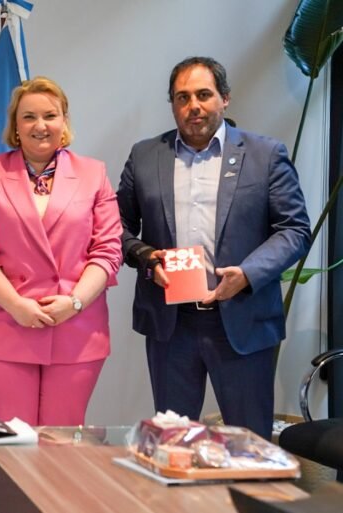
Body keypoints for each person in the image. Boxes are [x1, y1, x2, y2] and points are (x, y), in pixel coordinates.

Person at [116, 57, 311, 439]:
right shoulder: (145, 156)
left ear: (225, 98)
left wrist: (248, 274)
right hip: (172, 325)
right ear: (172, 104)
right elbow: (114, 227)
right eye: (182, 97)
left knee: (249, 446)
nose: (194, 105)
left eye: (204, 95)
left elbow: (294, 229)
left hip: (242, 320)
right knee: (175, 442)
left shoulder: (265, 155)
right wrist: (145, 257)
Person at [0, 76, 123, 426]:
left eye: (50, 115)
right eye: (29, 116)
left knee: (61, 443)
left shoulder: (94, 174)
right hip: (6, 324)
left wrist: (75, 302)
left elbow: (108, 251)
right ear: (15, 126)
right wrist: (16, 305)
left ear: (64, 122)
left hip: (76, 328)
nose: (40, 125)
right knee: (14, 441)